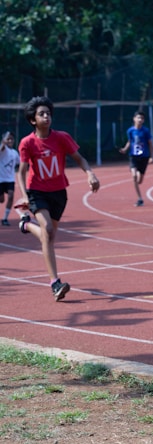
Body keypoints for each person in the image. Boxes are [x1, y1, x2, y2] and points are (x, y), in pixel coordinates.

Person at [15, 96, 100, 301]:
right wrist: (25, 195)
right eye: (41, 114)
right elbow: (21, 172)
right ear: (33, 120)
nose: (46, 116)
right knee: (48, 230)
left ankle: (26, 225)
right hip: (37, 192)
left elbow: (80, 159)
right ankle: (55, 283)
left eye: (48, 113)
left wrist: (90, 174)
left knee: (49, 237)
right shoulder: (27, 143)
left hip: (59, 193)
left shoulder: (62, 138)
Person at [118, 110, 153, 206]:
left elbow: (150, 144)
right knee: (134, 176)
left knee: (140, 180)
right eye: (138, 117)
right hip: (133, 156)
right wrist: (125, 149)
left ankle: (138, 174)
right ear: (134, 119)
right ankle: (140, 199)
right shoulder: (130, 131)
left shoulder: (145, 131)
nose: (140, 120)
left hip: (144, 157)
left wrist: (151, 156)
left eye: (142, 118)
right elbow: (130, 141)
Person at [0, 131, 20, 225]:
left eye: (12, 139)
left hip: (10, 179)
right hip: (1, 179)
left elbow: (19, 163)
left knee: (11, 196)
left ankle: (4, 219)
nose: (10, 140)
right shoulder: (3, 150)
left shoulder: (15, 153)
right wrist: (5, 138)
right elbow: (2, 146)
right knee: (1, 200)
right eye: (8, 139)